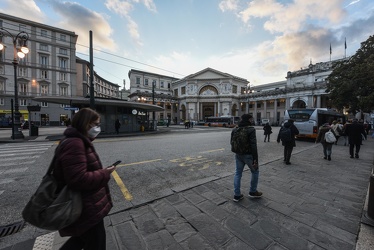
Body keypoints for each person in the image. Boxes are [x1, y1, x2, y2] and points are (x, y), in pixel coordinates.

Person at [53, 108, 116, 250]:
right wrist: (105, 173)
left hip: (85, 205)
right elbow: (78, 179)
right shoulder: (75, 144)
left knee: (81, 239)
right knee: (95, 242)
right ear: (86, 124)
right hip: (84, 206)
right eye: (96, 124)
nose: (97, 128)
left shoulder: (78, 141)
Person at [230, 114, 262, 202]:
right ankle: (253, 191)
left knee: (238, 174)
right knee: (255, 172)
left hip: (238, 155)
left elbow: (231, 142)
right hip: (248, 155)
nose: (252, 120)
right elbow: (253, 145)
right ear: (248, 119)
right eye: (251, 119)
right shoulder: (251, 129)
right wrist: (255, 159)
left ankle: (237, 195)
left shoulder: (235, 129)